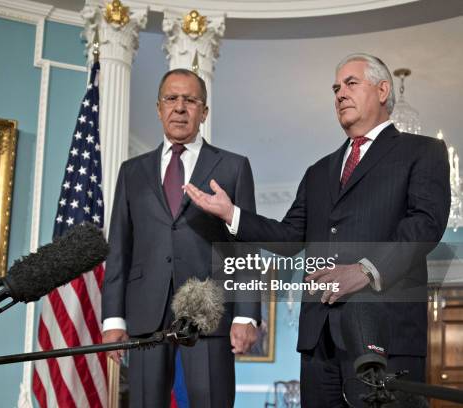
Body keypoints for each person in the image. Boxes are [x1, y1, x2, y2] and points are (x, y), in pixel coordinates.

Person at [185, 53, 450, 407]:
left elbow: (425, 224)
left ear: (383, 89)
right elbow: (290, 237)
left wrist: (365, 271)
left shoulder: (424, 152)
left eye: (351, 83)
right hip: (318, 342)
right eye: (336, 88)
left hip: (384, 336)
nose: (340, 93)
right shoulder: (319, 172)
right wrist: (232, 213)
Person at [102, 68, 261, 407]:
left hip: (209, 310)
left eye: (190, 100)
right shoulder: (132, 172)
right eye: (171, 99)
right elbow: (119, 248)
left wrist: (246, 314)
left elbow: (245, 247)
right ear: (159, 108)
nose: (179, 107)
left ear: (204, 111)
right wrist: (114, 318)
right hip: (146, 314)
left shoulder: (233, 167)